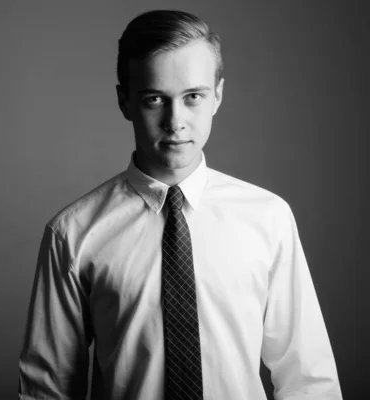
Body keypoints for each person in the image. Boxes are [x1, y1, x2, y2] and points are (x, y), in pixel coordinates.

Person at [18, 9, 342, 400]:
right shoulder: (73, 233)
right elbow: (47, 389)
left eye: (193, 97)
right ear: (124, 100)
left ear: (217, 96)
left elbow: (307, 376)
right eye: (155, 99)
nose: (175, 121)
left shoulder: (268, 218)